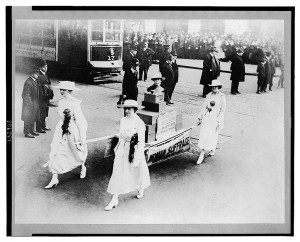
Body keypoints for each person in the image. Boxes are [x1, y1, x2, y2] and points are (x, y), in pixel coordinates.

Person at [105, 100, 151, 211]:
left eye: (129, 109)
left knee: (137, 170)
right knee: (118, 172)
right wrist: (119, 136)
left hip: (134, 150)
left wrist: (137, 158)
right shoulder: (122, 120)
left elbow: (141, 142)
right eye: (125, 108)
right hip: (123, 149)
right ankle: (114, 199)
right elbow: (122, 135)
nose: (126, 111)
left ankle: (140, 187)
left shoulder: (139, 123)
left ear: (134, 110)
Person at [43, 81, 88, 189]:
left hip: (72, 129)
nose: (61, 91)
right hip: (61, 128)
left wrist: (82, 136)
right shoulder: (61, 102)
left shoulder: (75, 103)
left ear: (69, 90)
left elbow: (80, 120)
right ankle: (55, 178)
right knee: (56, 150)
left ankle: (82, 167)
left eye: (63, 89)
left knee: (76, 150)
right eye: (61, 89)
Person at [196, 79, 226, 164]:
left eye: (216, 87)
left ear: (218, 87)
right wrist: (200, 117)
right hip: (207, 118)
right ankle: (202, 153)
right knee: (204, 135)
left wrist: (218, 120)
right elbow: (204, 107)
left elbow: (222, 110)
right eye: (213, 87)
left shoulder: (222, 97)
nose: (214, 89)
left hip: (215, 119)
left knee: (213, 135)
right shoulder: (209, 95)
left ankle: (212, 148)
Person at [21, 69, 40, 138]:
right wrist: (30, 104)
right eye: (36, 73)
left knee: (33, 117)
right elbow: (25, 95)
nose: (38, 75)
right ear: (31, 74)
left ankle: (31, 130)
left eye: (38, 73)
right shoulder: (28, 82)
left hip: (34, 103)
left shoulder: (34, 81)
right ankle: (27, 132)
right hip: (29, 105)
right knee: (28, 118)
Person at [36, 59, 54, 133]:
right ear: (40, 68)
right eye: (44, 67)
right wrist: (45, 86)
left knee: (45, 112)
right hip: (42, 97)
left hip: (46, 97)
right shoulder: (39, 75)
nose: (46, 68)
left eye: (46, 66)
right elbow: (38, 86)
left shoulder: (45, 74)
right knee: (41, 112)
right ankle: (39, 128)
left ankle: (44, 126)